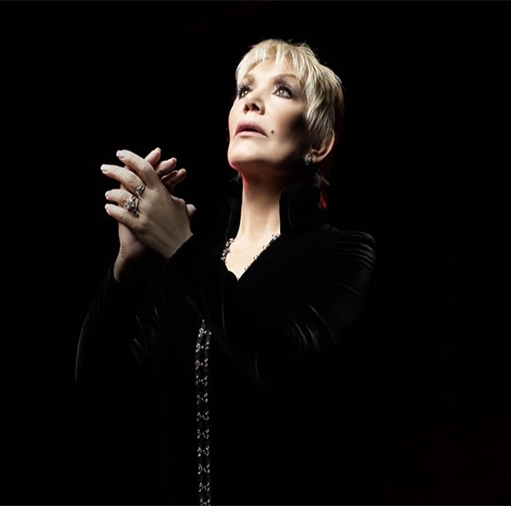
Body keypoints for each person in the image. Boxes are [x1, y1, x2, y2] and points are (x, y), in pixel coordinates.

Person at [75, 39, 378, 505]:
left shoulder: (343, 252)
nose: (252, 100)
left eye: (282, 90)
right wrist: (127, 272)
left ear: (319, 143)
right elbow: (98, 387)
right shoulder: (190, 262)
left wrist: (180, 246)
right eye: (244, 90)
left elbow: (284, 365)